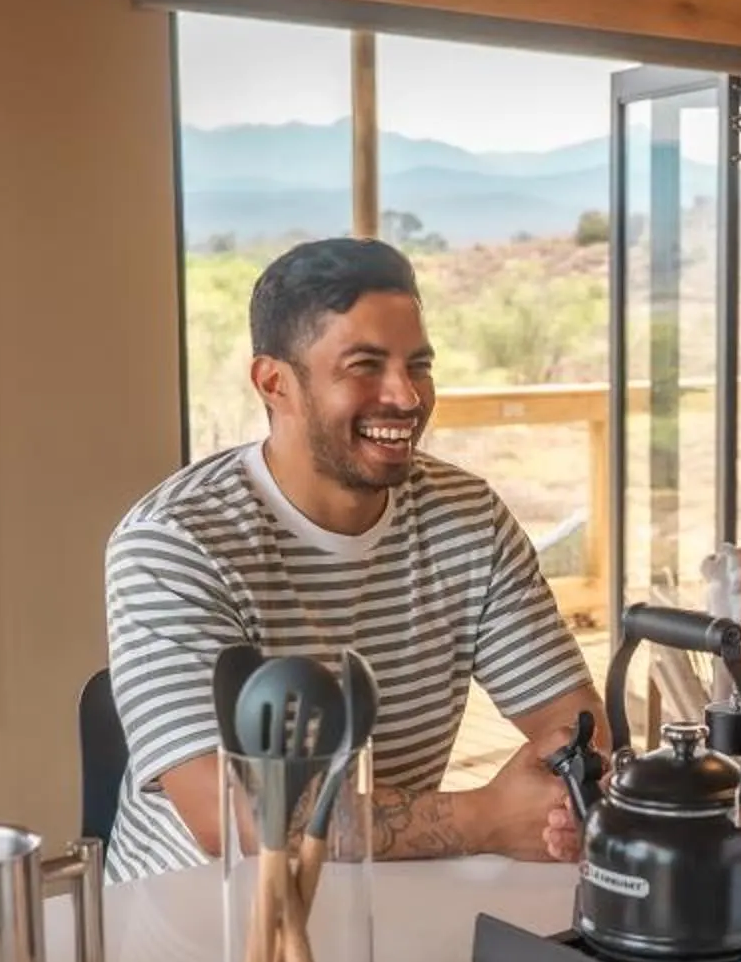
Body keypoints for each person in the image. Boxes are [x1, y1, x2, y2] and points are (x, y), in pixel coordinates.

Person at [103, 238, 598, 880]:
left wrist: (564, 778)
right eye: (364, 366)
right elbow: (233, 813)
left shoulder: (467, 515)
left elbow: (573, 717)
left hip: (385, 897)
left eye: (417, 365)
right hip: (196, 928)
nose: (406, 396)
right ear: (274, 383)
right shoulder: (172, 542)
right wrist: (482, 817)